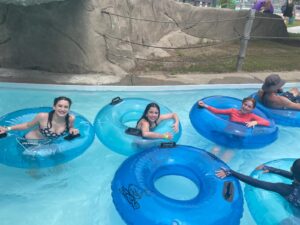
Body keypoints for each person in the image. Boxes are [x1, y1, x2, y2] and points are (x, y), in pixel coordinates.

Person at [216, 159, 300, 209]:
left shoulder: (286, 189)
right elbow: (293, 176)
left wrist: (231, 172)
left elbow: (257, 183)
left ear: (291, 169)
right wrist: (271, 169)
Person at [0, 96, 79, 140]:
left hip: (48, 143)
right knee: (33, 167)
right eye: (60, 106)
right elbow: (27, 125)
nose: (62, 109)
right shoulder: (42, 116)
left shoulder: (71, 118)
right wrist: (8, 128)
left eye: (66, 107)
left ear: (69, 109)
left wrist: (72, 129)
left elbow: (71, 127)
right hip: (32, 141)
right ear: (54, 107)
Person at [198, 96, 270, 128]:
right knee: (215, 149)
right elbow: (217, 111)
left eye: (249, 106)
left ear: (252, 109)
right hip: (227, 132)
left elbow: (267, 122)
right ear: (242, 104)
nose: (246, 107)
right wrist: (205, 105)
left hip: (238, 136)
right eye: (245, 104)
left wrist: (255, 122)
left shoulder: (251, 116)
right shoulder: (232, 111)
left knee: (228, 152)